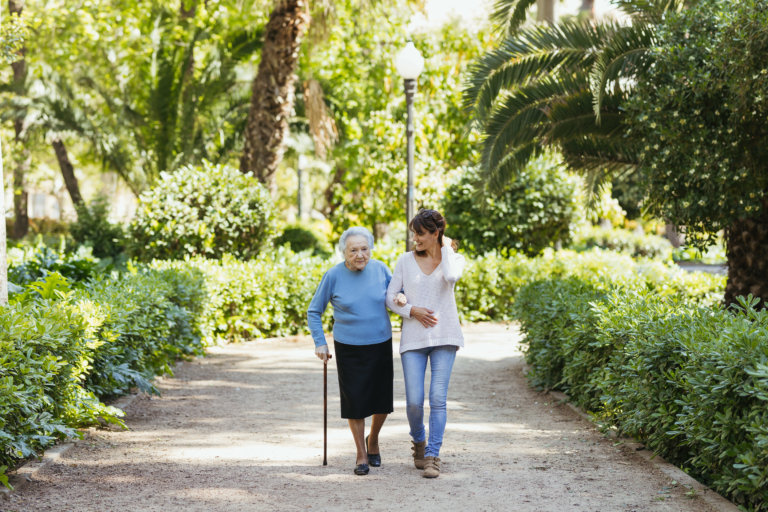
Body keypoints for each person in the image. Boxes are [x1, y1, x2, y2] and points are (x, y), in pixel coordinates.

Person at [307, 226, 394, 476]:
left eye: (364, 249)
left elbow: (397, 296)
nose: (360, 255)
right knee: (354, 400)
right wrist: (320, 342)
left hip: (380, 342)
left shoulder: (381, 270)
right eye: (353, 250)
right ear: (344, 252)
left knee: (382, 400)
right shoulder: (333, 275)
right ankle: (361, 454)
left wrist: (401, 299)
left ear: (371, 249)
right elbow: (314, 311)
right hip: (348, 346)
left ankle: (373, 439)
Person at [386, 209, 465, 479]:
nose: (415, 238)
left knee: (438, 399)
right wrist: (411, 310)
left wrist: (445, 247)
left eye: (420, 233)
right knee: (414, 402)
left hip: (446, 337)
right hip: (414, 339)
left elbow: (452, 277)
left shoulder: (454, 259)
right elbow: (390, 296)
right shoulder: (405, 261)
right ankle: (418, 440)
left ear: (435, 233)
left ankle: (432, 455)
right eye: (414, 233)